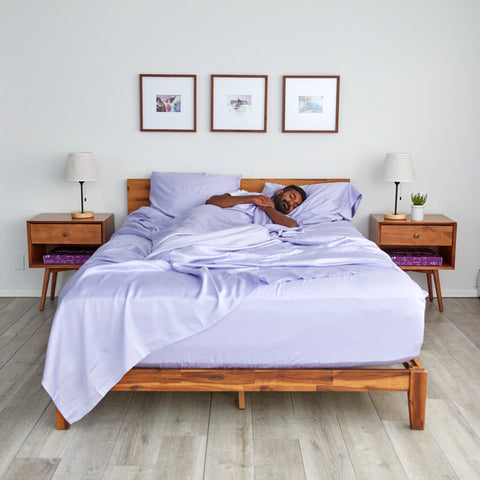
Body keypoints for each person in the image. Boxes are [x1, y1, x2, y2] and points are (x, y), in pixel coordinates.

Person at [206, 185, 306, 228]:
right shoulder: (245, 194)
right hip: (214, 221)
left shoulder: (282, 219)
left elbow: (292, 226)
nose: (291, 203)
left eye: (295, 205)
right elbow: (212, 202)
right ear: (280, 192)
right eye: (291, 197)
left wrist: (266, 207)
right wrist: (254, 199)